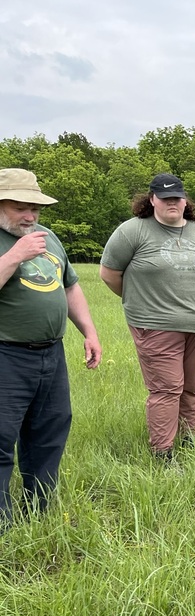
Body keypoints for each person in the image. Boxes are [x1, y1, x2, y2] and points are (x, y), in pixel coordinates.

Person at [0, 168, 102, 523]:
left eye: (35, 209)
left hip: (50, 353)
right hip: (6, 353)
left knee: (49, 432)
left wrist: (89, 331)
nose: (30, 216)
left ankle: (38, 512)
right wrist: (15, 255)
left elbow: (69, 285)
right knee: (1, 438)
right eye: (20, 208)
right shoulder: (16, 244)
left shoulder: (47, 237)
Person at [100, 174, 195, 461]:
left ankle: (188, 441)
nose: (171, 203)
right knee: (167, 389)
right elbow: (109, 274)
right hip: (155, 324)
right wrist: (140, 301)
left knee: (190, 388)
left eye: (177, 197)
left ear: (185, 200)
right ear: (152, 200)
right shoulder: (132, 231)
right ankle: (163, 454)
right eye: (164, 198)